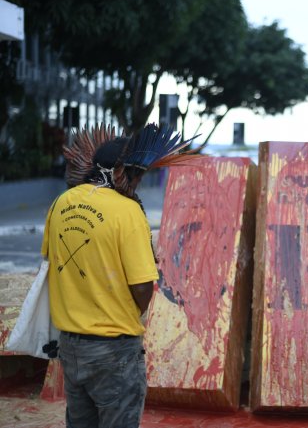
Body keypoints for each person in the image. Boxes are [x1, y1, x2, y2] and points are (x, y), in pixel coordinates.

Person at [41, 124, 196, 427]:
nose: (138, 183)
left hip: (71, 346)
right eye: (137, 175)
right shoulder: (127, 213)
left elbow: (53, 261)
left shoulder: (62, 203)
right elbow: (142, 287)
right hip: (113, 348)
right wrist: (124, 311)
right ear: (122, 172)